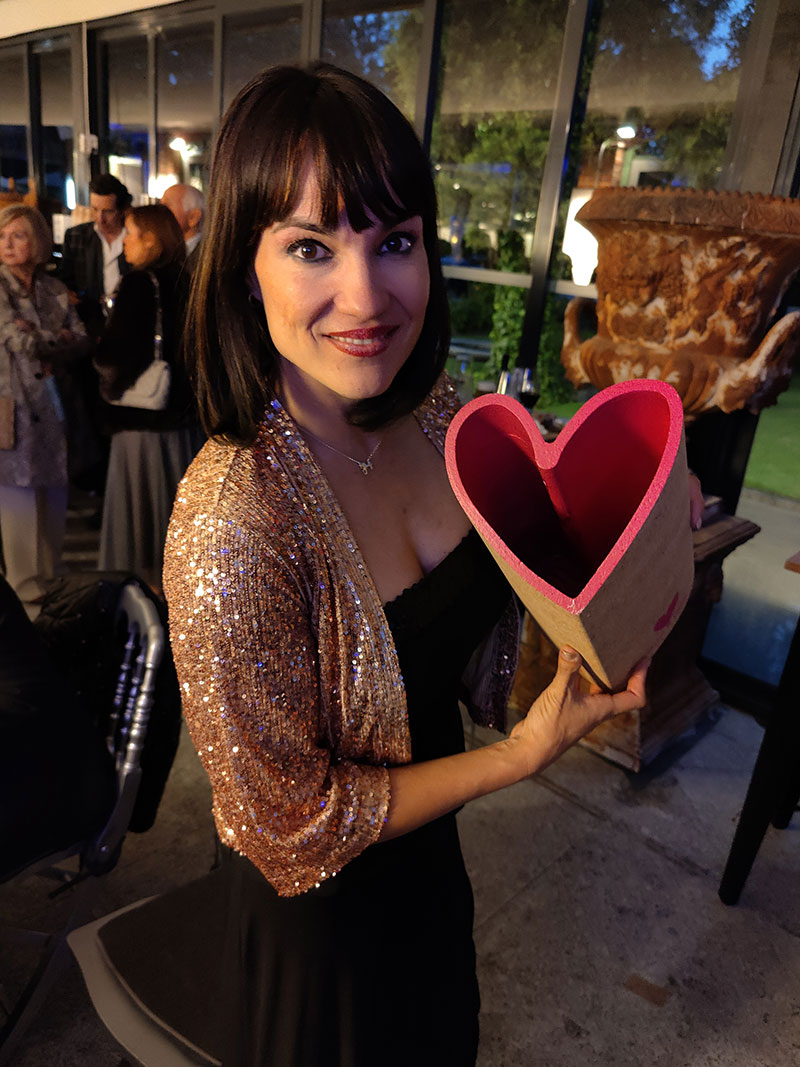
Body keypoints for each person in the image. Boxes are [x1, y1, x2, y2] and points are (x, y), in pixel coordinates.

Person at [162, 63, 648, 1066]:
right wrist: (518, 758)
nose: (366, 295)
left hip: (429, 866)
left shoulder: (437, 418)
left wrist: (636, 527)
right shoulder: (232, 517)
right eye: (311, 246)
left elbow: (515, 581)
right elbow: (283, 823)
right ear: (244, 267)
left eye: (394, 241)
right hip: (321, 931)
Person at [94, 204, 201, 591]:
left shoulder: (139, 284)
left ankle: (145, 602)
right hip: (185, 426)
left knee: (139, 526)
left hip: (143, 421)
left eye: (132, 234)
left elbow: (120, 354)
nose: (126, 242)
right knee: (179, 522)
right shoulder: (190, 280)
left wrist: (107, 377)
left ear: (152, 241)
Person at [0, 204, 86, 618]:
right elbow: (19, 342)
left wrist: (43, 336)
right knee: (17, 497)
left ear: (36, 241)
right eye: (2, 237)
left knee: (53, 495)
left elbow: (81, 339)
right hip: (10, 407)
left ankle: (50, 590)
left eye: (17, 236)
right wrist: (54, 337)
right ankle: (25, 598)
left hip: (53, 406)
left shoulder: (52, 287)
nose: (8, 245)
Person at [57, 173, 133, 338]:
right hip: (88, 321)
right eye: (95, 209)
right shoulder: (76, 236)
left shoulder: (133, 237)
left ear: (122, 210)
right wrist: (67, 293)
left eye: (108, 211)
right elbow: (65, 279)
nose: (100, 218)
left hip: (128, 320)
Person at [160, 182, 205, 258]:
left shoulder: (206, 256)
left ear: (193, 217)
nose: (159, 213)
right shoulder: (166, 251)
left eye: (166, 207)